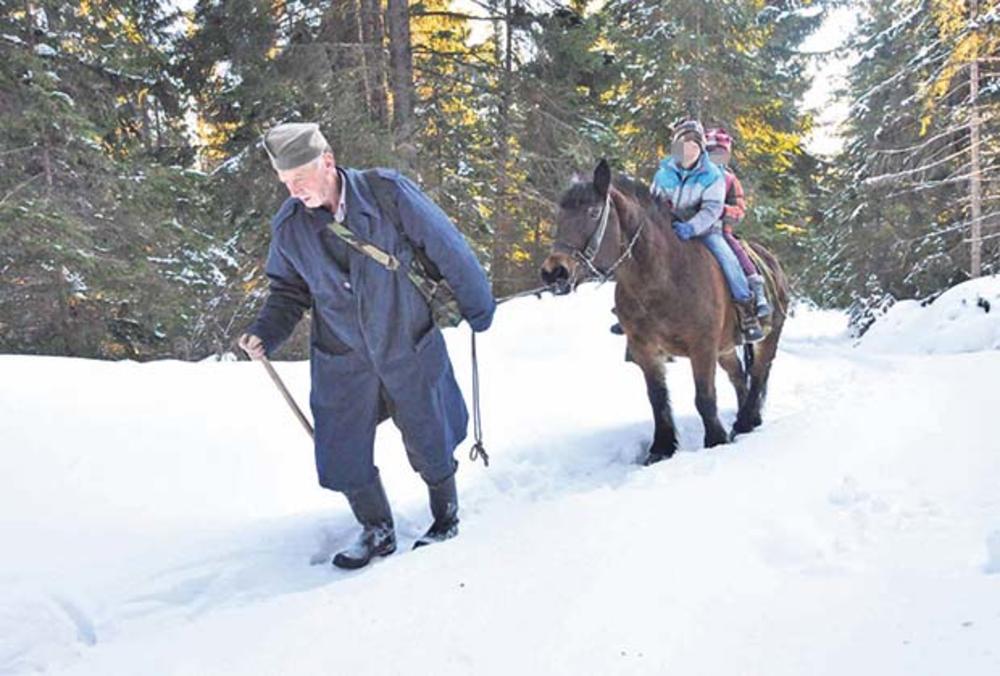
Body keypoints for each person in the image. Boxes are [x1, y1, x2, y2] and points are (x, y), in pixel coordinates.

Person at [239, 122, 495, 570]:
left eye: (300, 178)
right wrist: (266, 331)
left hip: (406, 339)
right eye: (286, 183)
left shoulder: (388, 194)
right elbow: (287, 290)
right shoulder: (291, 227)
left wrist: (477, 304)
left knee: (429, 431)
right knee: (343, 448)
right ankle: (377, 529)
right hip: (342, 356)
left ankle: (445, 514)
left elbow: (447, 245)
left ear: (328, 162)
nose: (294, 190)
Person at [650, 119, 764, 343]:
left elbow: (715, 209)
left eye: (694, 145)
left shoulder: (717, 176)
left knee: (728, 258)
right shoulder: (663, 173)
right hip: (671, 227)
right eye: (683, 144)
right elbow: (654, 201)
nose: (689, 150)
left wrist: (693, 226)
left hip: (708, 229)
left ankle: (746, 309)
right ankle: (633, 312)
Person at [705, 127, 771, 318]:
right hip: (686, 227)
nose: (714, 157)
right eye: (710, 153)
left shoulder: (729, 180)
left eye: (719, 153)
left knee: (731, 258)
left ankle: (749, 300)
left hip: (717, 230)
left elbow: (739, 209)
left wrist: (722, 210)